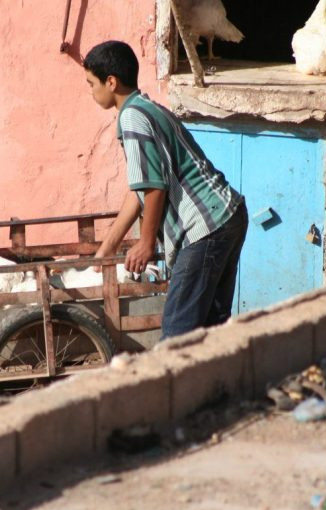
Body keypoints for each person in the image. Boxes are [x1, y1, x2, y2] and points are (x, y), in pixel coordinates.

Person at [83, 40, 247, 340]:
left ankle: (183, 386)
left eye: (91, 84)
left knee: (177, 333)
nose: (90, 92)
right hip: (228, 215)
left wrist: (146, 243)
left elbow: (154, 187)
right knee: (211, 328)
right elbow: (139, 192)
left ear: (111, 81)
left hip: (206, 227)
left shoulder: (131, 117)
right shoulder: (149, 108)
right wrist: (107, 248)